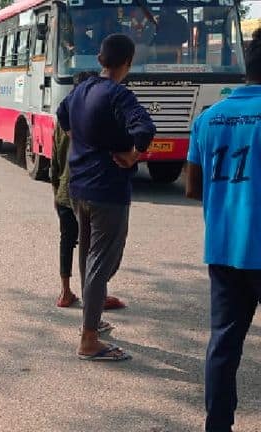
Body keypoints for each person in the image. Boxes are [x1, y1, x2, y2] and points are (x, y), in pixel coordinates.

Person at [56, 34, 156, 361]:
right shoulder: (119, 94)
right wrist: (133, 154)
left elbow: (62, 114)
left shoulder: (81, 90)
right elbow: (144, 129)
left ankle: (93, 321)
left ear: (100, 59)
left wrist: (81, 141)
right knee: (102, 261)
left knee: (87, 255)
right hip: (108, 190)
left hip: (78, 188)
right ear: (128, 62)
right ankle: (88, 340)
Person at [186, 28, 261, 432]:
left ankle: (217, 425)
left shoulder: (209, 118)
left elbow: (193, 187)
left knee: (224, 345)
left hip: (223, 249)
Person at [51, 70, 126, 311]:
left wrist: (56, 190)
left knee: (68, 241)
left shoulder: (61, 123)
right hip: (88, 190)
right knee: (95, 249)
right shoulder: (93, 121)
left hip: (64, 191)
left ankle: (65, 291)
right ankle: (95, 298)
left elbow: (54, 162)